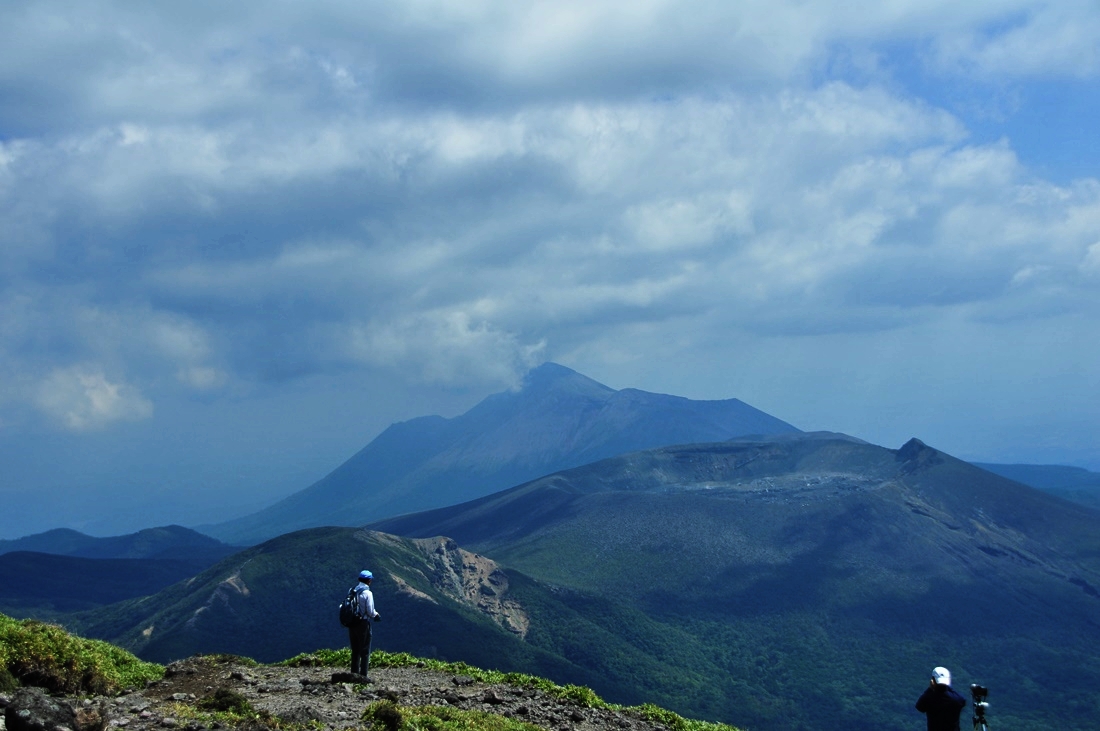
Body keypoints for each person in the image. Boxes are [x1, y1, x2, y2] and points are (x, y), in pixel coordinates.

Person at [348, 569, 381, 680]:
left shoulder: (352, 590)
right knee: (365, 650)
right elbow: (370, 611)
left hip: (352, 623)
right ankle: (363, 676)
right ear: (369, 581)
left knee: (355, 650)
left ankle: (353, 674)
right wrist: (376, 615)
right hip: (363, 623)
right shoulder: (368, 593)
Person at [916, 666, 967, 731]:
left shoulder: (929, 698)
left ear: (933, 681)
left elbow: (919, 707)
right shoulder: (956, 699)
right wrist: (949, 688)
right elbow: (963, 700)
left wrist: (930, 688)